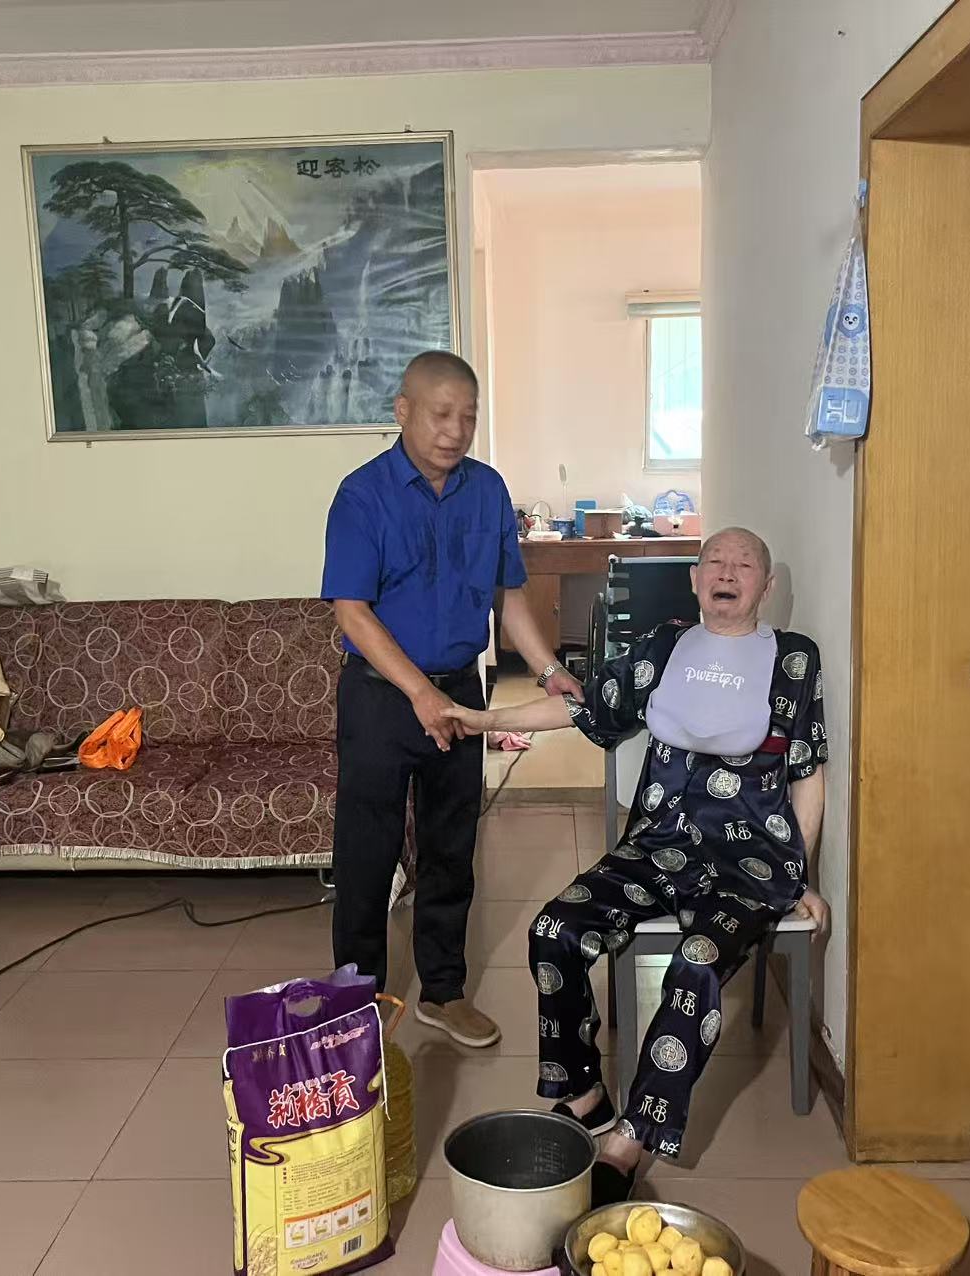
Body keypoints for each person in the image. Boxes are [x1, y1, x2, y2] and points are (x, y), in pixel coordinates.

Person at [443, 527, 830, 1200]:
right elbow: (583, 707)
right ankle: (585, 1095)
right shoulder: (662, 646)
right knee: (554, 931)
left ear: (765, 587)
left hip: (751, 862)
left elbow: (807, 772)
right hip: (657, 844)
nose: (727, 572)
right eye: (715, 561)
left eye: (744, 564)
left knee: (698, 963)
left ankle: (628, 1143)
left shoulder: (793, 659)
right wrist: (481, 720)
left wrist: (802, 876)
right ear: (694, 579)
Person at [321, 350, 582, 1048]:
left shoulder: (487, 491)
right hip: (381, 697)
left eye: (468, 416)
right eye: (441, 414)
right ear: (403, 411)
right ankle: (356, 1003)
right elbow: (352, 612)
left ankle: (442, 990)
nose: (455, 430)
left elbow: (507, 595)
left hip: (462, 693)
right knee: (366, 855)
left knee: (451, 847)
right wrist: (418, 693)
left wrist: (549, 670)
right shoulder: (362, 496)